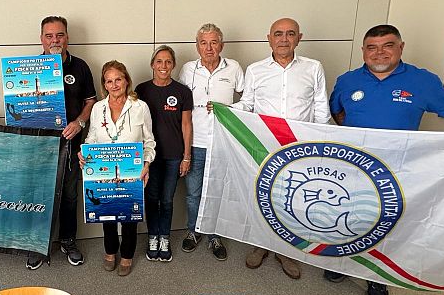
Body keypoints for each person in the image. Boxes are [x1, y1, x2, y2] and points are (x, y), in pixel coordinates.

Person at [326, 24, 444, 295]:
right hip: (353, 168)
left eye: (387, 46)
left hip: (396, 171)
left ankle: (377, 277)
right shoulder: (347, 81)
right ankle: (342, 264)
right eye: (372, 47)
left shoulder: (422, 81)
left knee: (385, 224)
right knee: (347, 215)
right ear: (363, 51)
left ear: (401, 47)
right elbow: (337, 112)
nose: (379, 53)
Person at [235, 18, 331, 279]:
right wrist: (226, 110)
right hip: (265, 146)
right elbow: (247, 104)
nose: (284, 39)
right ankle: (261, 244)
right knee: (264, 196)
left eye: (290, 34)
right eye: (278, 34)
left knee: (293, 198)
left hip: (301, 148)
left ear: (299, 37)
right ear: (269, 38)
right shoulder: (255, 70)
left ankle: (286, 250)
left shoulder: (313, 68)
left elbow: (321, 108)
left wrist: (321, 143)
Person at [26, 16, 96, 270]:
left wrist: (79, 122)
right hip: (39, 147)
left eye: (59, 35)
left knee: (69, 196)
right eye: (49, 35)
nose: (54, 40)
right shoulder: (27, 68)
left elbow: (90, 101)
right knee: (39, 196)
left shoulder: (80, 66)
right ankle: (37, 245)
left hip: (71, 144)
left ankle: (68, 241)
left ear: (67, 37)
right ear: (41, 39)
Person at [80, 61, 156, 276]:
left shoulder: (140, 107)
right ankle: (110, 252)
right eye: (109, 81)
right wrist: (84, 154)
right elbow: (92, 138)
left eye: (118, 80)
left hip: (132, 172)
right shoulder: (98, 108)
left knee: (129, 218)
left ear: (126, 80)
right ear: (104, 84)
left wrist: (147, 164)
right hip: (103, 172)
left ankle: (127, 256)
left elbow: (149, 141)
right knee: (108, 215)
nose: (114, 85)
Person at [177, 23, 244, 260]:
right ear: (197, 46)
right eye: (203, 43)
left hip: (223, 143)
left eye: (214, 42)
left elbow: (249, 100)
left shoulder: (234, 68)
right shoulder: (187, 69)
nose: (209, 48)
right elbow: (181, 106)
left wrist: (228, 109)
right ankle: (194, 230)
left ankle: (215, 235)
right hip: (195, 142)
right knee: (193, 193)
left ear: (221, 45)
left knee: (218, 191)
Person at [135, 45, 193, 262]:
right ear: (152, 64)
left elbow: (186, 125)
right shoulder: (141, 90)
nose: (163, 66)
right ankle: (153, 236)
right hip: (149, 157)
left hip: (173, 156)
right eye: (159, 61)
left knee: (167, 200)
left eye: (168, 61)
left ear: (173, 65)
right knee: (151, 198)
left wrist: (186, 156)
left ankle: (164, 238)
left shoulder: (182, 92)